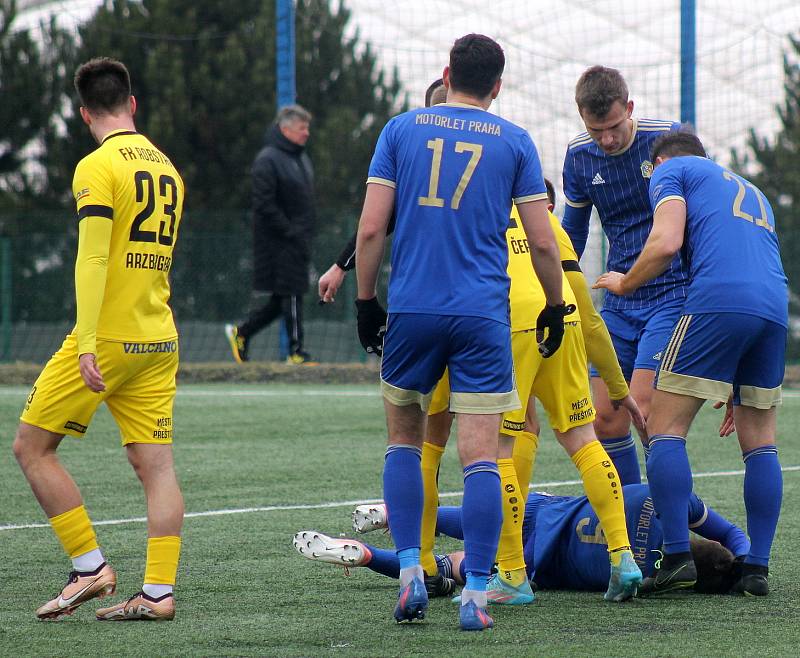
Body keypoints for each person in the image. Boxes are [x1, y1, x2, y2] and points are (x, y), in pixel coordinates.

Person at [354, 34, 569, 631]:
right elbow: (545, 240)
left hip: (413, 313)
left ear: (445, 74)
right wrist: (555, 306)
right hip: (482, 318)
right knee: (481, 457)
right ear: (497, 87)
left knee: (404, 442)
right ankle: (475, 593)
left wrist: (366, 301)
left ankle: (409, 574)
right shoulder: (516, 142)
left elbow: (372, 230)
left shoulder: (400, 130)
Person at [12, 57, 185, 621]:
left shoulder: (97, 165)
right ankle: (158, 592)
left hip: (108, 337)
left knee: (31, 448)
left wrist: (86, 341)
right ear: (132, 104)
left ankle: (90, 567)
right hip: (159, 336)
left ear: (85, 113)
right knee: (156, 467)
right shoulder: (168, 169)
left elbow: (93, 256)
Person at [594, 130, 788, 596]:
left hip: (718, 300)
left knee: (663, 429)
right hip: (773, 306)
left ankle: (676, 555)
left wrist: (625, 283)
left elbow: (664, 243)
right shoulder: (751, 189)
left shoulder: (670, 172)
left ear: (659, 162)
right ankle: (756, 567)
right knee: (760, 442)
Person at [293, 483, 750, 597]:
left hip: (544, 510)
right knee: (456, 565)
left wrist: (749, 561)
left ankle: (395, 513)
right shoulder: (643, 579)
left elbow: (729, 534)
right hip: (537, 561)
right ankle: (370, 557)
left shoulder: (672, 498)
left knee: (465, 518)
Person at [562, 66, 686, 485]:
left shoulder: (668, 139)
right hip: (617, 300)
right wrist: (556, 286)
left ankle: (673, 517)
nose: (607, 139)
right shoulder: (579, 157)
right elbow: (573, 233)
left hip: (672, 292)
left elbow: (701, 217)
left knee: (646, 411)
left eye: (614, 126)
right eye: (597, 130)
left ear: (629, 108)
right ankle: (635, 513)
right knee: (607, 418)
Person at [225, 104, 316, 364]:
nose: (307, 133)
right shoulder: (268, 159)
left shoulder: (300, 158)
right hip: (279, 245)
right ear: (285, 129)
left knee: (282, 301)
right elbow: (264, 204)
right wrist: (290, 231)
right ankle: (297, 352)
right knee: (294, 294)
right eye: (302, 127)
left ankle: (242, 333)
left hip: (298, 242)